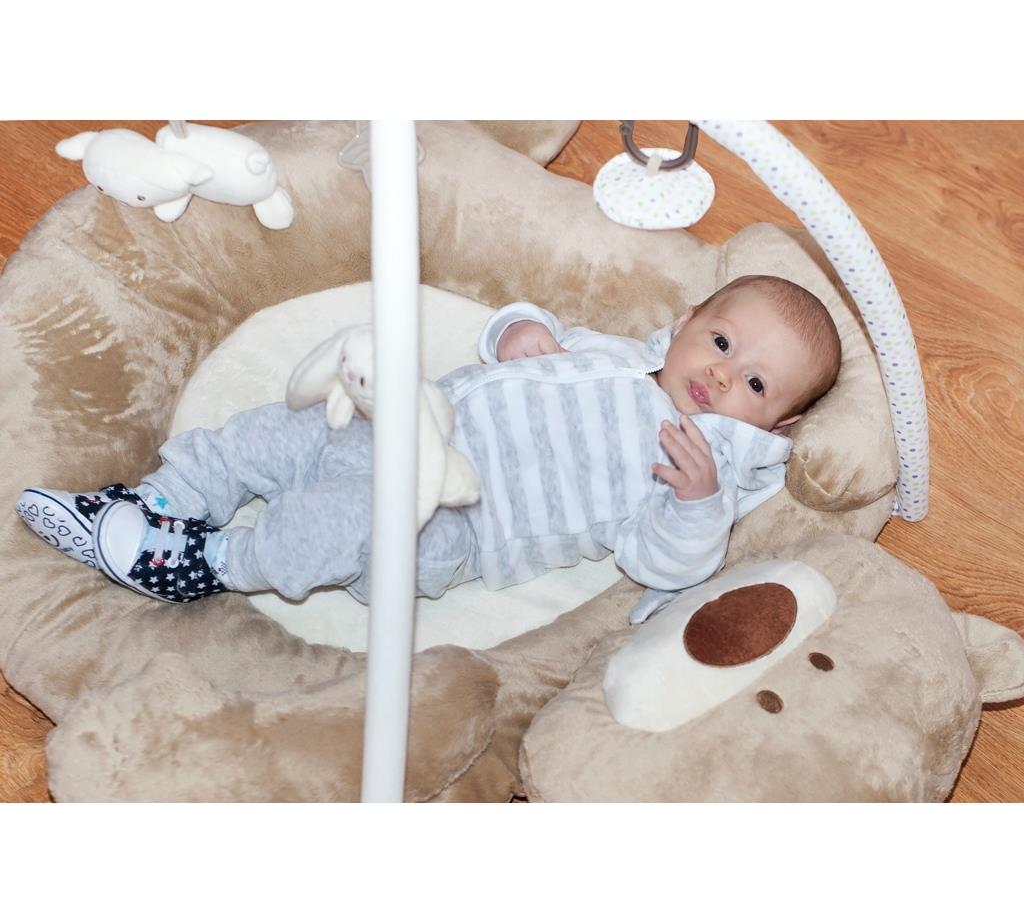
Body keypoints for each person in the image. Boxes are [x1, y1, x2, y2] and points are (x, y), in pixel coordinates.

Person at [16, 274, 841, 623]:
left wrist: (696, 504)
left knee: (348, 521)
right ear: (687, 321)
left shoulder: (704, 470)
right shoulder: (618, 353)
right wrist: (518, 331)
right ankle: (165, 498)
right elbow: (523, 327)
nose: (722, 375)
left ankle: (208, 562)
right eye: (722, 341)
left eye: (755, 384)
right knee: (288, 429)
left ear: (775, 429)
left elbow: (664, 561)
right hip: (411, 420)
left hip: (459, 519)